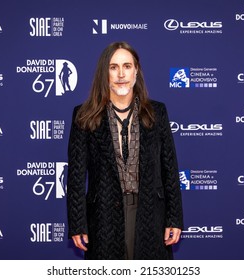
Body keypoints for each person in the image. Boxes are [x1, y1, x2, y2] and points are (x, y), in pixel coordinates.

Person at [67, 41, 183, 260]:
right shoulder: (84, 116)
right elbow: (75, 177)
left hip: (150, 215)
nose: (121, 74)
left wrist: (174, 218)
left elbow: (170, 168)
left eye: (127, 66)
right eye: (113, 67)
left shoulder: (157, 112)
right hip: (103, 218)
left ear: (136, 71)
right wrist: (77, 223)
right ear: (104, 73)